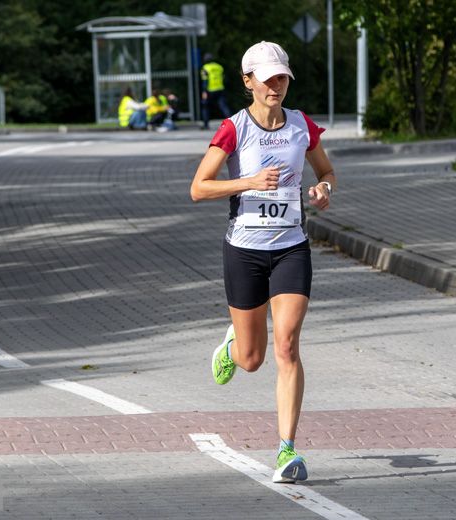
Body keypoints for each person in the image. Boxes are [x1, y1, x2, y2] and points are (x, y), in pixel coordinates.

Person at [190, 41, 336, 484]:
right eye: (267, 78)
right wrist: (248, 181)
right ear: (248, 81)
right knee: (253, 359)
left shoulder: (300, 126)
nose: (276, 85)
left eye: (282, 78)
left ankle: (287, 450)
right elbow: (199, 187)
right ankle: (233, 346)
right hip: (245, 251)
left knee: (287, 347)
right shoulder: (234, 129)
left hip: (292, 246)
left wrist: (323, 190)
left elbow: (326, 172)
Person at [200, 53, 232, 130]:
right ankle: (232, 123)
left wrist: (204, 91)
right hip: (220, 89)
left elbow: (205, 81)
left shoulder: (205, 68)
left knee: (205, 107)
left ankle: (205, 125)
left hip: (209, 90)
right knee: (223, 106)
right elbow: (224, 78)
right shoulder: (219, 67)